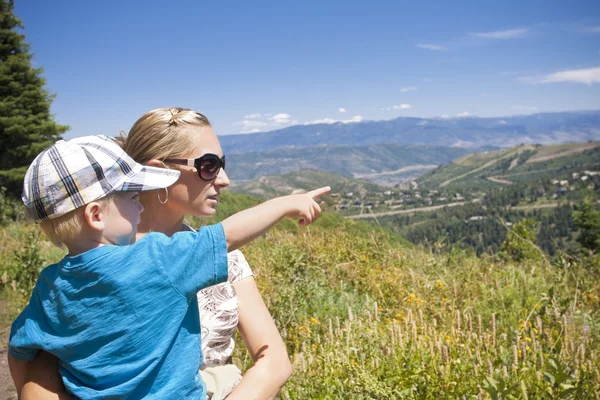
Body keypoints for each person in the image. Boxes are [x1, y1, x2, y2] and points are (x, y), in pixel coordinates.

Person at [8, 134, 329, 399]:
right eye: (132, 195)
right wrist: (285, 203)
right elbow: (228, 235)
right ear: (96, 215)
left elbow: (21, 351)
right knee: (229, 376)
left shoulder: (50, 284)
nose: (140, 201)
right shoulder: (157, 258)